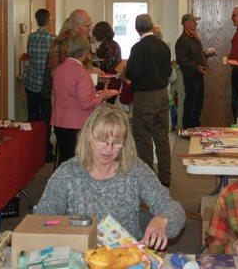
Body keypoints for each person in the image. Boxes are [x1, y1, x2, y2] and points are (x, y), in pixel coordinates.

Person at [35, 104, 185, 250]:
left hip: (126, 257)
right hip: (81, 257)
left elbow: (174, 209)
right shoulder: (68, 173)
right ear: (88, 136)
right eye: (102, 140)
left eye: (117, 142)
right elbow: (41, 220)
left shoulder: (134, 169)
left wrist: (162, 220)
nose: (109, 148)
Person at [51, 34, 118, 165]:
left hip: (59, 122)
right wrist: (102, 96)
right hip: (77, 124)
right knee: (78, 161)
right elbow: (86, 103)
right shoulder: (81, 74)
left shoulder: (58, 70)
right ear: (84, 53)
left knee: (64, 159)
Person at [126, 14, 173, 187]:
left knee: (143, 137)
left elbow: (132, 73)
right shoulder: (163, 46)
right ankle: (165, 175)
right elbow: (168, 71)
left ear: (137, 28)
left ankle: (147, 179)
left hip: (145, 96)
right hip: (162, 94)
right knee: (162, 137)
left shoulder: (138, 48)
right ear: (152, 26)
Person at [24, 9, 56, 161]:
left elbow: (30, 56)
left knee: (32, 117)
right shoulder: (53, 39)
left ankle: (31, 149)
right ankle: (45, 151)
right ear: (48, 20)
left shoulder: (31, 37)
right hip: (45, 85)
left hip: (31, 82)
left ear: (36, 20)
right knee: (46, 119)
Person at [42, 9, 93, 99]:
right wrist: (88, 73)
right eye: (87, 26)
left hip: (78, 95)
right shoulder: (61, 43)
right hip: (64, 98)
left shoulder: (82, 41)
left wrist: (93, 72)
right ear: (76, 27)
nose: (90, 29)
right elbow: (57, 76)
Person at [175, 13, 208, 129]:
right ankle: (188, 129)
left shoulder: (194, 38)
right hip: (190, 77)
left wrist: (207, 54)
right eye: (194, 21)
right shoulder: (182, 40)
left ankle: (195, 127)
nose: (196, 23)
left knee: (199, 103)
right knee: (191, 104)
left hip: (198, 75)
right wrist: (196, 67)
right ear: (186, 23)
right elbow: (182, 60)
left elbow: (196, 56)